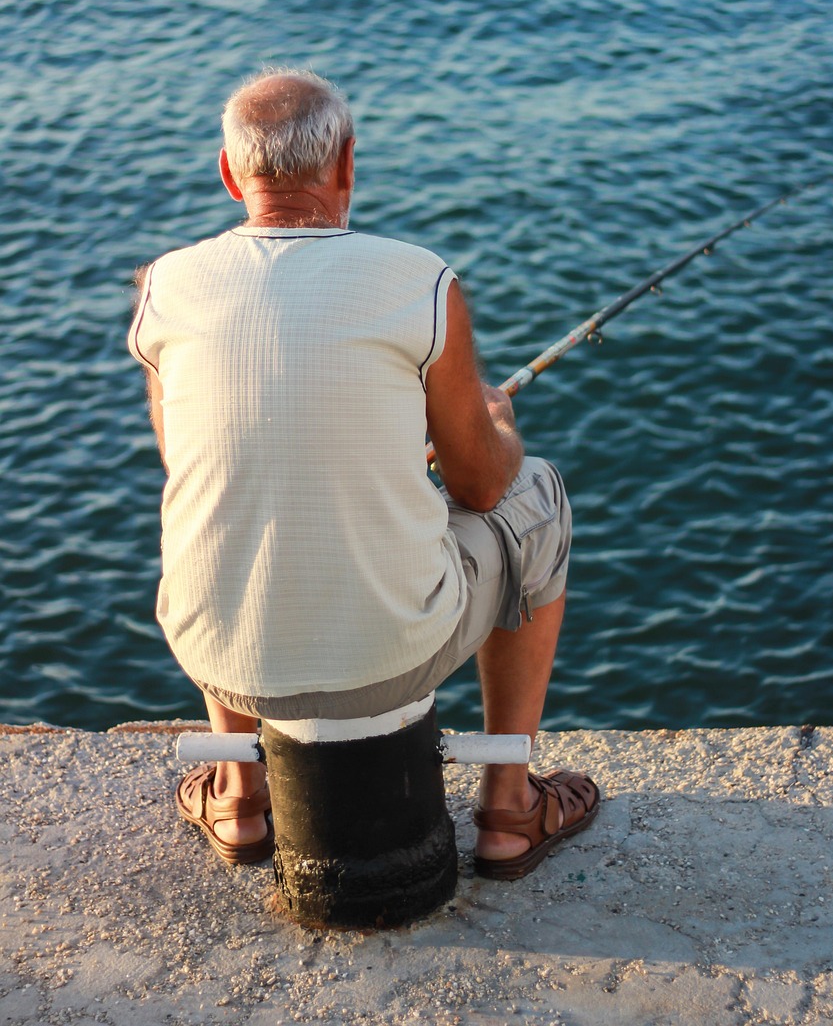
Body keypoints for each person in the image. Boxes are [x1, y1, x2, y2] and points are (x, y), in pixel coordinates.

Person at [129, 67, 599, 880]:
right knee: (537, 493)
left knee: (221, 503)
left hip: (211, 645)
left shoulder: (164, 287)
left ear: (229, 173)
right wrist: (492, 426)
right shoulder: (419, 281)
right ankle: (508, 807)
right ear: (347, 164)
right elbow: (482, 488)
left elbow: (193, 458)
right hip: (385, 662)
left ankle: (240, 797)